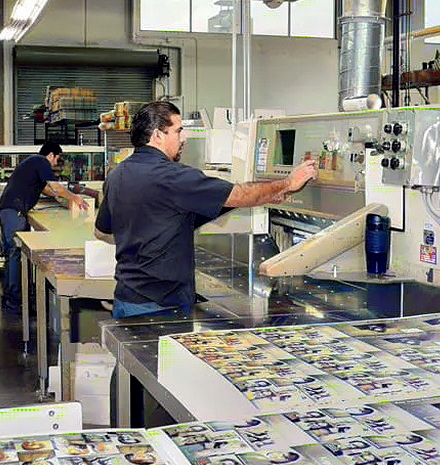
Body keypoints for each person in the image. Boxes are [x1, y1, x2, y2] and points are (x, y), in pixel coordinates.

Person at [94, 101, 316, 318]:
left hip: (126, 300)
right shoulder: (173, 176)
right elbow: (238, 194)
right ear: (158, 135)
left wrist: (143, 234)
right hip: (161, 306)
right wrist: (289, 183)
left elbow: (103, 231)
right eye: (178, 131)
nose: (184, 138)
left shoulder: (117, 175)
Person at [0, 141, 88, 312]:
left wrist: (62, 197)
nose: (55, 164)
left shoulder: (33, 163)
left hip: (9, 210)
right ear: (51, 155)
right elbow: (54, 187)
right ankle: (15, 302)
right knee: (16, 253)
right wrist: (74, 197)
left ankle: (10, 298)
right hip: (14, 212)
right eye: (57, 159)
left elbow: (47, 189)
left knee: (12, 254)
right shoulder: (41, 161)